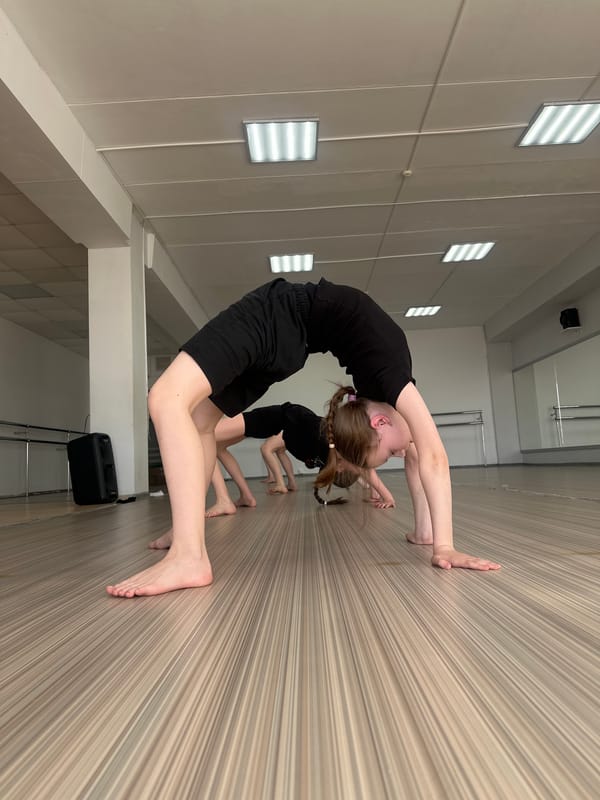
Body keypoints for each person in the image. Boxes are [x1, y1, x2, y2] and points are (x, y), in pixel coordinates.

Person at [107, 278, 500, 598]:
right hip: (281, 319)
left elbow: (418, 456)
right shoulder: (393, 379)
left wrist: (433, 537)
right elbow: (432, 456)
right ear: (379, 424)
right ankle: (186, 534)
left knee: (169, 400)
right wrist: (438, 542)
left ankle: (189, 555)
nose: (403, 451)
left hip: (287, 334)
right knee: (191, 415)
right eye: (393, 450)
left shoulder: (385, 397)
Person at [199, 402, 395, 519]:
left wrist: (383, 494)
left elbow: (364, 470)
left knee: (202, 437)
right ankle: (242, 497)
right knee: (209, 440)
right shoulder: (333, 444)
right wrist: (386, 496)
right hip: (281, 419)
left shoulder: (327, 458)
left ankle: (228, 500)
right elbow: (366, 469)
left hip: (278, 421)